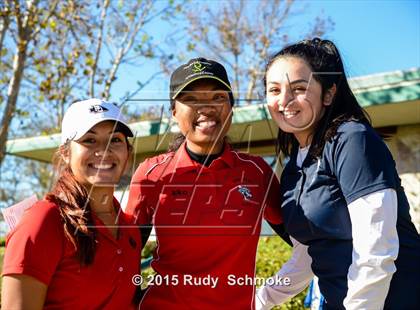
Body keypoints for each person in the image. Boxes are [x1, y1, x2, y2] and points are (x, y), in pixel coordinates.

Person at [256, 38, 420, 309]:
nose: (283, 100)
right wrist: (255, 301)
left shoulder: (351, 139)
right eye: (274, 90)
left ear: (329, 94)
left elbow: (377, 247)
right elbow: (306, 257)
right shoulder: (293, 170)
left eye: (298, 88)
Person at [126, 58, 287, 309]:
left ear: (231, 107)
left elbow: (306, 240)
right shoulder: (151, 174)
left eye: (217, 97)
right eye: (190, 99)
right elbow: (125, 254)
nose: (206, 107)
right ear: (174, 111)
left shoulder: (257, 172)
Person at [1, 99, 142, 309]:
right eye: (89, 140)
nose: (104, 150)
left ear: (128, 153)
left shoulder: (130, 229)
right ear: (66, 153)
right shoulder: (44, 220)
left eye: (115, 140)